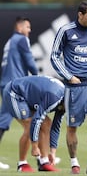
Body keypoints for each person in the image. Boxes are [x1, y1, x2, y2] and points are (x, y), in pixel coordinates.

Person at [50, 0, 87, 174]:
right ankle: (74, 162)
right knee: (72, 127)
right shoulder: (66, 31)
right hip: (74, 88)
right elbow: (54, 56)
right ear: (80, 15)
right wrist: (69, 76)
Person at [1, 75, 65, 172]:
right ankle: (22, 164)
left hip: (29, 96)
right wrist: (34, 146)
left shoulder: (66, 101)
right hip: (14, 93)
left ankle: (44, 162)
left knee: (47, 123)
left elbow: (56, 126)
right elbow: (37, 119)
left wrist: (53, 151)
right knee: (30, 125)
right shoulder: (54, 97)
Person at [0, 16, 38, 169]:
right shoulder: (22, 39)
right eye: (27, 27)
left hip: (7, 83)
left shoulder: (10, 41)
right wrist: (37, 78)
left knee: (3, 122)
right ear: (19, 27)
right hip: (15, 87)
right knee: (34, 120)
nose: (29, 30)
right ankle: (42, 157)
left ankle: (43, 156)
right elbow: (29, 61)